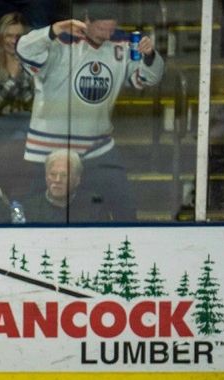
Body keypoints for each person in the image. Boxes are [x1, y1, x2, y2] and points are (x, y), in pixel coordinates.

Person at [17, 3, 165, 221]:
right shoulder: (61, 41)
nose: (106, 35)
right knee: (37, 211)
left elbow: (146, 77)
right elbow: (23, 50)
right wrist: (54, 29)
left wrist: (150, 55)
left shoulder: (122, 44)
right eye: (100, 30)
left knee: (125, 205)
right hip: (49, 148)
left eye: (110, 30)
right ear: (86, 20)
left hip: (96, 147)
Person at [0, 12, 36, 198]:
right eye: (9, 36)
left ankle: (18, 198)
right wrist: (15, 78)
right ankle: (18, 198)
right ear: (1, 37)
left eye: (18, 36)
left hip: (24, 124)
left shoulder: (30, 63)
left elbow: (32, 102)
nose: (13, 41)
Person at [18, 149, 112, 223]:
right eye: (53, 174)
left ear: (77, 180)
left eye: (64, 175)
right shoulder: (28, 208)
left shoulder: (95, 206)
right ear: (46, 177)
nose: (57, 180)